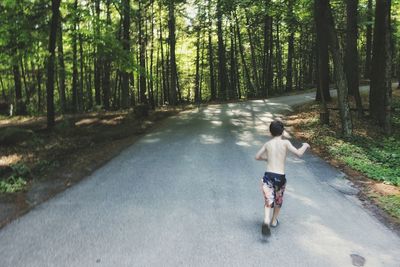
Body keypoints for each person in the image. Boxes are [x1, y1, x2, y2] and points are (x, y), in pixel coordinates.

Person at [255, 120, 310, 236]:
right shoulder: (285, 143)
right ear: (283, 132)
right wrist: (305, 145)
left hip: (268, 175)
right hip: (280, 177)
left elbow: (257, 157)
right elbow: (299, 154)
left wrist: (267, 159)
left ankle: (266, 220)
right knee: (278, 199)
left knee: (268, 200)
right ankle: (274, 221)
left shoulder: (268, 144)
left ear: (270, 133)